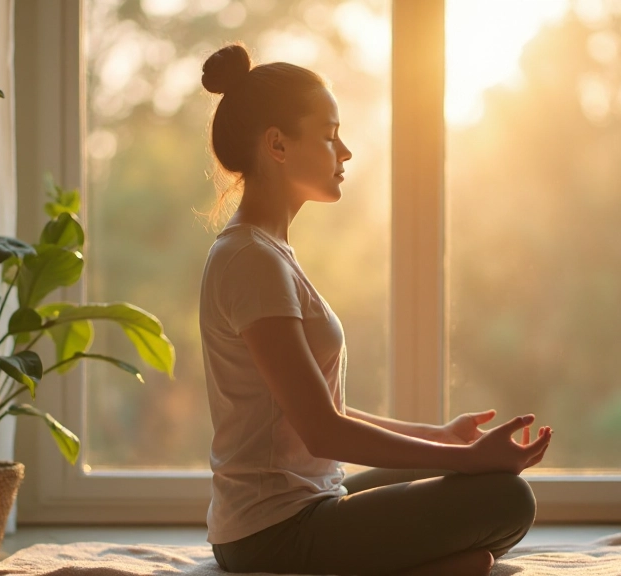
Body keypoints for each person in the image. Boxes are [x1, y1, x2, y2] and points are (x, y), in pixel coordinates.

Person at [197, 43, 554, 576]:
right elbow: (324, 431)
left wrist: (438, 437)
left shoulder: (266, 252)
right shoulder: (251, 260)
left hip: (300, 508)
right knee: (507, 500)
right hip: (272, 536)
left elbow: (319, 415)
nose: (345, 152)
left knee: (477, 487)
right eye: (328, 135)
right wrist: (469, 459)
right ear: (277, 144)